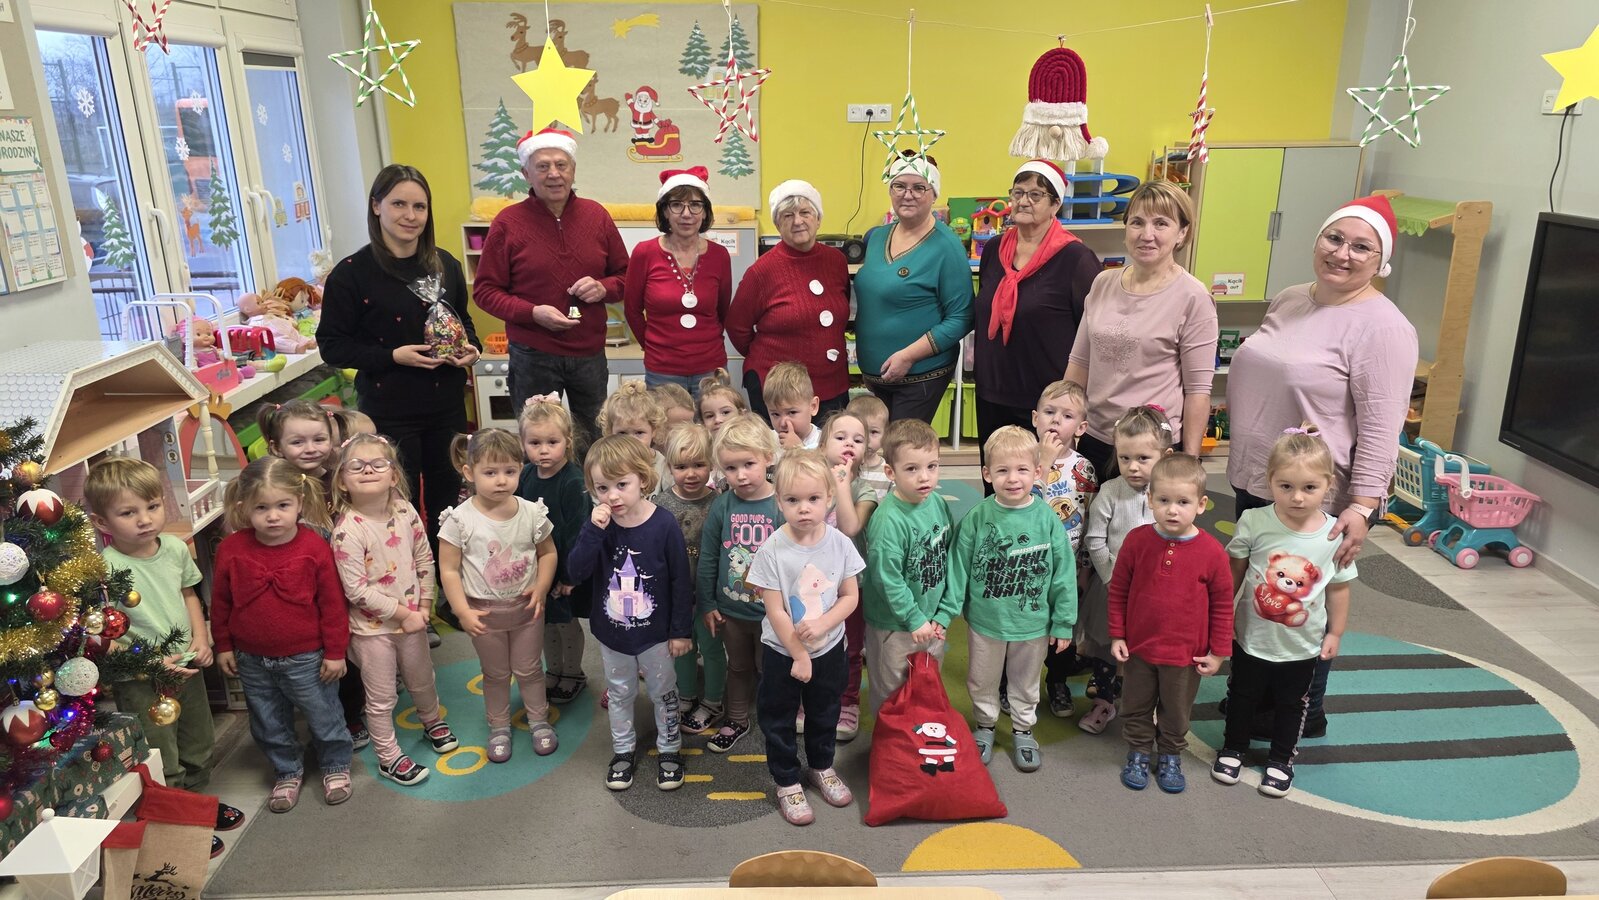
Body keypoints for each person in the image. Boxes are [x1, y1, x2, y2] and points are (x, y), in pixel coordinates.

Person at [1224, 195, 1417, 737]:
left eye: (1362, 247)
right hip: (1261, 479)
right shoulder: (1290, 299)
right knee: (1264, 595)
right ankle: (1254, 700)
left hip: (1316, 497)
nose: (1343, 254)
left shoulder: (1384, 328)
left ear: (1381, 261)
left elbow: (1382, 425)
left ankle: (1299, 714)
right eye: (1335, 238)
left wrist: (1363, 506)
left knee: (1302, 603)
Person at [318, 165, 479, 560]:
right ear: (376, 206)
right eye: (399, 204)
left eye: (419, 207)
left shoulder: (446, 265)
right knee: (390, 503)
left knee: (448, 499)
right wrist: (392, 356)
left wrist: (472, 349)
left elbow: (462, 320)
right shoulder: (351, 275)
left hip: (446, 407)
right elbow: (332, 346)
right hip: (388, 410)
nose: (411, 216)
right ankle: (402, 578)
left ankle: (445, 576)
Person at [87, 458, 245, 855]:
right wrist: (146, 663)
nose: (145, 519)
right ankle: (174, 821)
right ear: (103, 522)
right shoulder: (105, 569)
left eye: (152, 506)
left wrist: (201, 638)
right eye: (128, 513)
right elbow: (100, 632)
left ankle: (195, 804)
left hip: (186, 665)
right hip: (141, 678)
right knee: (160, 751)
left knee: (198, 740)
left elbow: (189, 594)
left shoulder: (174, 547)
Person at [1216, 427, 1355, 798]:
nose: (1297, 497)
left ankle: (1280, 760)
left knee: (1293, 705)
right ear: (1270, 481)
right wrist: (1222, 615)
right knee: (1241, 694)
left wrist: (1336, 633)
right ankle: (1233, 748)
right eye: (1286, 486)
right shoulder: (1254, 521)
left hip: (1302, 645)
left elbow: (1339, 589)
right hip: (1251, 636)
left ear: (1328, 485)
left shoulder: (1334, 535)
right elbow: (1234, 572)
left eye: (1309, 487)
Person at [472, 128, 629, 453]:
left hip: (589, 353)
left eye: (561, 164)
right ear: (525, 173)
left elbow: (626, 277)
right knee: (539, 446)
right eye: (542, 166)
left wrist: (603, 288)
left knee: (594, 441)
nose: (554, 174)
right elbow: (485, 291)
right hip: (532, 354)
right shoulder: (507, 223)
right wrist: (532, 313)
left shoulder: (597, 216)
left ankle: (590, 488)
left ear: (573, 169)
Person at [211, 457, 352, 812]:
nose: (273, 516)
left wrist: (336, 652)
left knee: (324, 714)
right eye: (262, 508)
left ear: (299, 503)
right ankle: (287, 770)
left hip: (308, 658)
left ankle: (335, 765)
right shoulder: (231, 549)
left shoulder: (314, 547)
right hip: (251, 658)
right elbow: (221, 602)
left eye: (283, 506)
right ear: (244, 507)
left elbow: (333, 605)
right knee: (268, 721)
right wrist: (223, 645)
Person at [567, 435, 694, 792]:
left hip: (656, 635)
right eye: (602, 488)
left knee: (663, 692)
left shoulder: (664, 524)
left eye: (621, 485)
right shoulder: (598, 526)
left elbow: (680, 581)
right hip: (613, 635)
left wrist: (680, 631)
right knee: (620, 694)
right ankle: (623, 750)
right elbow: (575, 571)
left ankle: (670, 750)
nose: (612, 496)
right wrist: (593, 530)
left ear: (643, 479)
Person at [329, 435, 458, 787]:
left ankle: (432, 721)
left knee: (422, 679)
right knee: (381, 696)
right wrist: (404, 614)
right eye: (357, 466)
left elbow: (424, 558)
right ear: (342, 481)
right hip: (373, 632)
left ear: (394, 475)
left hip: (414, 621)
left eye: (378, 464)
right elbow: (357, 591)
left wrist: (426, 604)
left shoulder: (405, 511)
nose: (368, 470)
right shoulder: (347, 531)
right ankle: (388, 756)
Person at [1065, 181, 1217, 474]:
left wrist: (1189, 463)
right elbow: (1078, 366)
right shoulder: (1103, 283)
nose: (1147, 235)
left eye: (1161, 223)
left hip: (1151, 450)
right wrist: (1066, 430)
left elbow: (1198, 391)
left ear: (1182, 233)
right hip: (1095, 437)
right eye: (1137, 222)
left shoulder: (1193, 297)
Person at [949, 426, 1077, 772]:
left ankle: (1022, 728)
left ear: (1037, 472)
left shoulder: (1047, 518)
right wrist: (947, 612)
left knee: (1025, 681)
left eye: (1022, 469)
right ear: (986, 473)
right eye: (1002, 470)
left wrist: (1063, 622)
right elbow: (958, 566)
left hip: (1033, 623)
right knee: (982, 679)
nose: (1013, 478)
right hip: (985, 621)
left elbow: (1063, 574)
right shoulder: (978, 517)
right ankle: (985, 725)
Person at [747, 450, 865, 826]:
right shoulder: (772, 549)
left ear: (829, 497)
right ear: (779, 501)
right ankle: (786, 781)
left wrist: (825, 624)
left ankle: (821, 766)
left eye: (813, 498)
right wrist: (798, 654)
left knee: (825, 712)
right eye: (793, 500)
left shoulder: (840, 543)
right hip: (783, 653)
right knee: (778, 718)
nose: (804, 508)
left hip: (829, 649)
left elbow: (850, 597)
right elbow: (775, 610)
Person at [1107, 454, 1233, 794]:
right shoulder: (1136, 541)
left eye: (1183, 502)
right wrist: (1117, 634)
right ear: (1150, 500)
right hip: (1139, 648)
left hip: (1185, 655)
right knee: (1135, 703)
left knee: (1176, 711)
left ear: (1201, 504)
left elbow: (1223, 606)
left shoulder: (1212, 552)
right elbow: (1118, 590)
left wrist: (1218, 652)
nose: (1172, 510)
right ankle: (1138, 750)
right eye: (1163, 500)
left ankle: (1170, 754)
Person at [438, 429, 559, 764]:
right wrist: (461, 611)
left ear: (521, 469)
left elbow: (548, 553)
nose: (501, 480)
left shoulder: (532, 512)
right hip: (483, 614)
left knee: (530, 669)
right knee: (495, 674)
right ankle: (499, 727)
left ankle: (539, 720)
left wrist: (541, 587)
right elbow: (448, 569)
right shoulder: (459, 520)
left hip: (526, 610)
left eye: (510, 471)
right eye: (490, 472)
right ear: (469, 472)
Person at [974, 160, 1101, 465]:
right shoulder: (993, 249)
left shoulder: (1076, 258)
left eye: (1035, 195)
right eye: (1018, 193)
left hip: (1047, 402)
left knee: (1043, 481)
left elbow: (1093, 333)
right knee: (997, 478)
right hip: (992, 391)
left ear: (1055, 204)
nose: (1023, 201)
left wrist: (1073, 398)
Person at [255, 401, 364, 746]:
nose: (310, 448)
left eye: (319, 439)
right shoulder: (274, 486)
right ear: (276, 447)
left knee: (347, 647)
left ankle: (352, 714)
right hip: (302, 585)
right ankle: (323, 718)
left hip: (345, 578)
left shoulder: (340, 478)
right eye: (297, 442)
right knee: (315, 656)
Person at [852, 152, 974, 423]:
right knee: (878, 447)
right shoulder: (877, 237)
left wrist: (908, 356)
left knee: (904, 447)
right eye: (899, 186)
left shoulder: (947, 246)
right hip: (877, 376)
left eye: (919, 188)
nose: (908, 195)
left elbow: (962, 317)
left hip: (919, 377)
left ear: (933, 194)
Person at [1077, 405, 1169, 736]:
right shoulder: (1111, 491)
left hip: (1155, 594)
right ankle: (1104, 701)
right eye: (1125, 457)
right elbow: (1095, 539)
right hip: (1112, 587)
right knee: (1106, 646)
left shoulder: (1169, 496)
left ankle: (1143, 706)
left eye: (1143, 458)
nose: (1132, 466)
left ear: (1164, 456)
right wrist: (1111, 578)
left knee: (1145, 651)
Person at [724, 180, 851, 420]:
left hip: (832, 383)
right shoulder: (762, 271)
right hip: (778, 392)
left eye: (805, 212)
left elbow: (841, 309)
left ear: (818, 218)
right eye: (788, 215)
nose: (798, 221)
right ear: (777, 224)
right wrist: (771, 358)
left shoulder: (836, 261)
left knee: (829, 443)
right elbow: (736, 325)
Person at [697, 414, 783, 753]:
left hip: (773, 615)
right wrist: (707, 603)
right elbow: (708, 557)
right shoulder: (722, 505)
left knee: (770, 669)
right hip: (731, 611)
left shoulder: (782, 504)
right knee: (738, 666)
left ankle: (775, 718)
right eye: (731, 468)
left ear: (768, 457)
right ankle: (736, 718)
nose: (741, 475)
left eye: (749, 464)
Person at [861, 419, 956, 714]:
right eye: (912, 469)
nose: (924, 477)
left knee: (926, 685)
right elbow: (887, 578)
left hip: (932, 620)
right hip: (894, 625)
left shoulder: (937, 502)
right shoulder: (888, 521)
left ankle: (918, 735)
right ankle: (891, 740)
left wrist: (944, 612)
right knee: (892, 693)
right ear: (890, 472)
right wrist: (914, 618)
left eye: (932, 466)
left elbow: (949, 557)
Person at [623, 167, 734, 398]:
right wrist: (655, 347)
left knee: (714, 421)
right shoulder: (644, 253)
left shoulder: (720, 255)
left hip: (710, 369)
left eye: (695, 205)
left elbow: (723, 312)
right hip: (662, 371)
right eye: (676, 205)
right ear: (665, 211)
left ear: (705, 212)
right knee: (664, 423)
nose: (686, 213)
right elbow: (632, 311)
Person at [1026, 379, 1098, 717]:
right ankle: (1009, 683)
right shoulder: (1022, 459)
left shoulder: (1084, 469)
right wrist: (1043, 461)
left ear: (1081, 427)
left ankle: (1057, 681)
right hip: (1026, 565)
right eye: (1049, 412)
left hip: (1066, 566)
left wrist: (1084, 569)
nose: (1056, 420)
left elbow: (1089, 523)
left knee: (1063, 627)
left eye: (1067, 416)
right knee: (1022, 628)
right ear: (1035, 418)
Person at [515, 396, 592, 704]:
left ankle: (573, 673)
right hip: (536, 567)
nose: (543, 450)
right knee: (543, 622)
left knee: (565, 623)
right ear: (523, 443)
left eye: (552, 442)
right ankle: (554, 670)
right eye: (535, 443)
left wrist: (570, 577)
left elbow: (578, 533)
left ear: (567, 441)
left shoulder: (573, 481)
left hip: (565, 568)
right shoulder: (526, 475)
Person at [656, 424, 727, 735]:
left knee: (711, 649)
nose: (691, 474)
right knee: (681, 647)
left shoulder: (720, 502)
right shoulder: (660, 504)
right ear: (670, 467)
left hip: (710, 595)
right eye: (681, 467)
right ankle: (686, 695)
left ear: (711, 464)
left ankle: (713, 701)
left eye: (699, 464)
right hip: (676, 596)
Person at [817, 410, 878, 739]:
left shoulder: (864, 490)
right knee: (813, 641)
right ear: (823, 444)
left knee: (850, 648)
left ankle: (848, 702)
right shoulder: (811, 480)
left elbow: (850, 526)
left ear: (866, 451)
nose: (849, 444)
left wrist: (841, 484)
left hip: (850, 584)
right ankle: (811, 699)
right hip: (813, 582)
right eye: (840, 437)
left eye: (858, 440)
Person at [598, 381, 672, 494]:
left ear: (654, 430)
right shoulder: (605, 464)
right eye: (622, 433)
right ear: (610, 432)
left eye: (639, 432)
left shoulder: (663, 466)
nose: (631, 441)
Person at [763, 361, 821, 453]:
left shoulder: (825, 442)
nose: (783, 423)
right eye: (775, 414)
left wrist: (799, 449)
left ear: (813, 406)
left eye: (792, 412)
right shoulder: (767, 442)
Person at [846, 394, 892, 501]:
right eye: (860, 431)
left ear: (885, 434)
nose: (866, 439)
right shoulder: (842, 466)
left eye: (873, 432)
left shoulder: (888, 471)